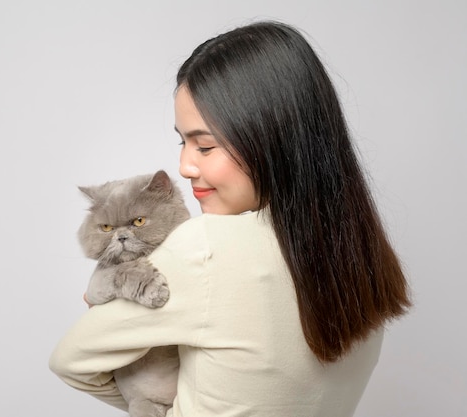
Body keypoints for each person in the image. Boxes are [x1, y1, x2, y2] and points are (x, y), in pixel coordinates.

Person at [49, 20, 411, 416]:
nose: (184, 166)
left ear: (270, 139)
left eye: (204, 146)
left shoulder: (206, 247)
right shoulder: (363, 254)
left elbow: (71, 361)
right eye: (182, 141)